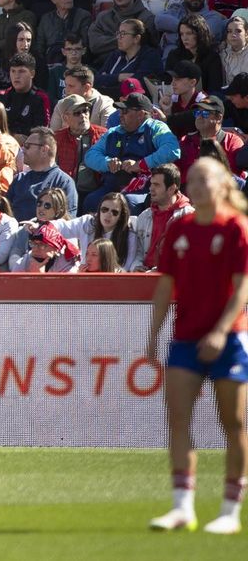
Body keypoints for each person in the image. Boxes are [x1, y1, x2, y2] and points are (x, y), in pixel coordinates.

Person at [145, 155, 248, 533]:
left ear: (222, 186)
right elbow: (165, 285)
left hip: (230, 338)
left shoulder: (237, 228)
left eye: (205, 180)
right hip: (185, 337)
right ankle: (182, 507)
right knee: (178, 418)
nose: (198, 186)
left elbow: (242, 289)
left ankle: (229, 510)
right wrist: (154, 333)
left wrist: (221, 331)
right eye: (193, 180)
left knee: (233, 423)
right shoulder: (180, 228)